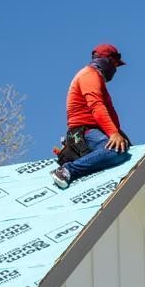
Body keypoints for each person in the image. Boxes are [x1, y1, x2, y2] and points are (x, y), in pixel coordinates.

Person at [52, 42, 132, 187]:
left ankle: (79, 158)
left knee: (126, 145)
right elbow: (97, 107)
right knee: (118, 150)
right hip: (85, 132)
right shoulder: (89, 75)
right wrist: (113, 133)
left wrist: (119, 134)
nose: (115, 69)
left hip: (91, 131)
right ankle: (67, 171)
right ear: (107, 60)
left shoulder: (96, 77)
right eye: (115, 64)